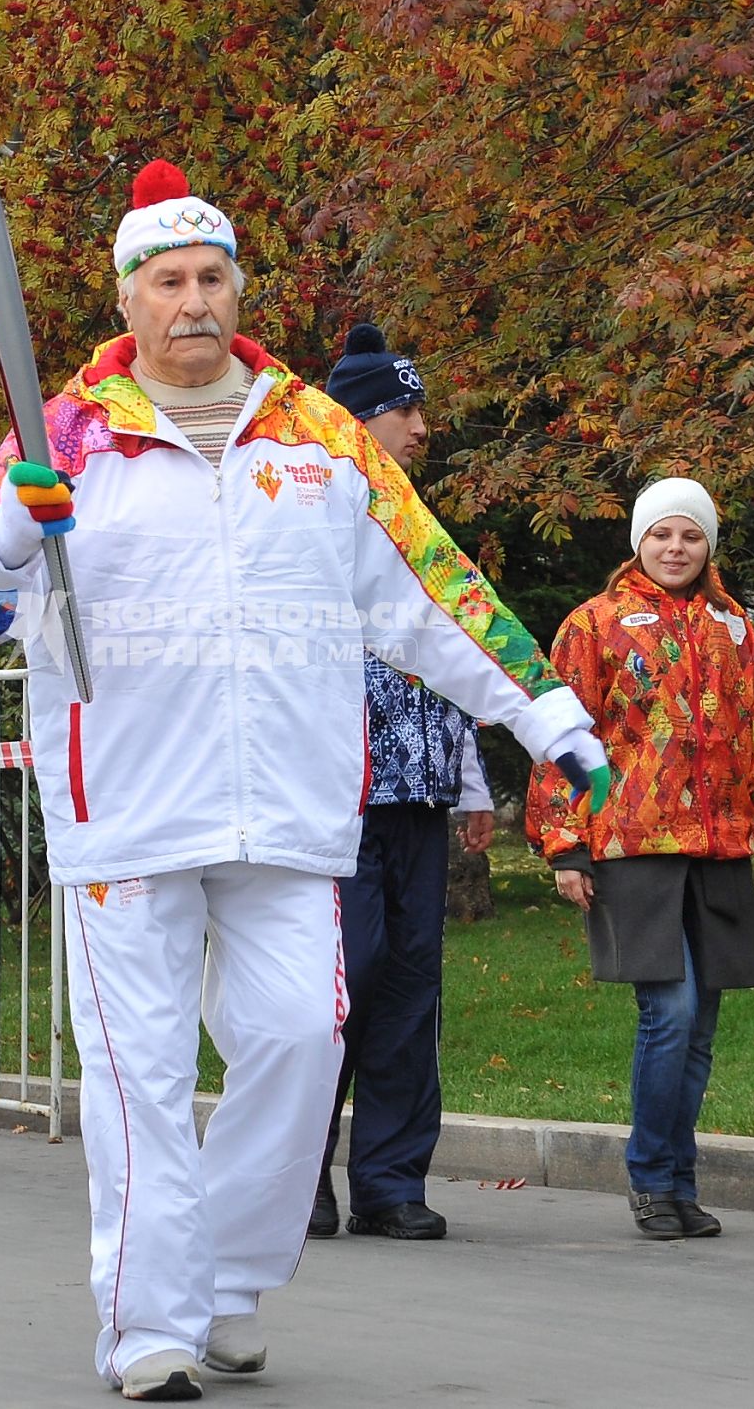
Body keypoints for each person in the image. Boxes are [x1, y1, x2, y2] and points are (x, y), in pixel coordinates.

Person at [0, 159, 608, 1401]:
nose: (192, 300)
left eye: (211, 277)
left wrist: (546, 713)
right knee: (137, 1073)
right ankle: (145, 1326)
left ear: (238, 288)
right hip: (122, 810)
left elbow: (434, 596)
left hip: (288, 809)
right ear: (127, 299)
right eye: (167, 280)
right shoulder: (65, 428)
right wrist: (13, 527)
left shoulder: (318, 436)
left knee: (299, 1041)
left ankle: (227, 1277)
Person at [526, 477, 754, 1240]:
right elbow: (561, 737)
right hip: (633, 845)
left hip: (720, 848)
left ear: (709, 545)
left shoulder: (734, 628)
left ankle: (680, 1182)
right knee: (672, 1010)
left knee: (702, 1026)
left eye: (691, 536)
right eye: (662, 534)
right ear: (638, 541)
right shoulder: (594, 624)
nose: (676, 548)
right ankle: (650, 1176)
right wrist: (566, 844)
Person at [308, 323, 494, 1243]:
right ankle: (297, 1175)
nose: (421, 427)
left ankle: (389, 1179)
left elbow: (457, 659)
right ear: (357, 419)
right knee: (339, 983)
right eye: (404, 410)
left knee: (410, 985)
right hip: (330, 800)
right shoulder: (303, 519)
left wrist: (473, 783)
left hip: (416, 795)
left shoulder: (420, 527)